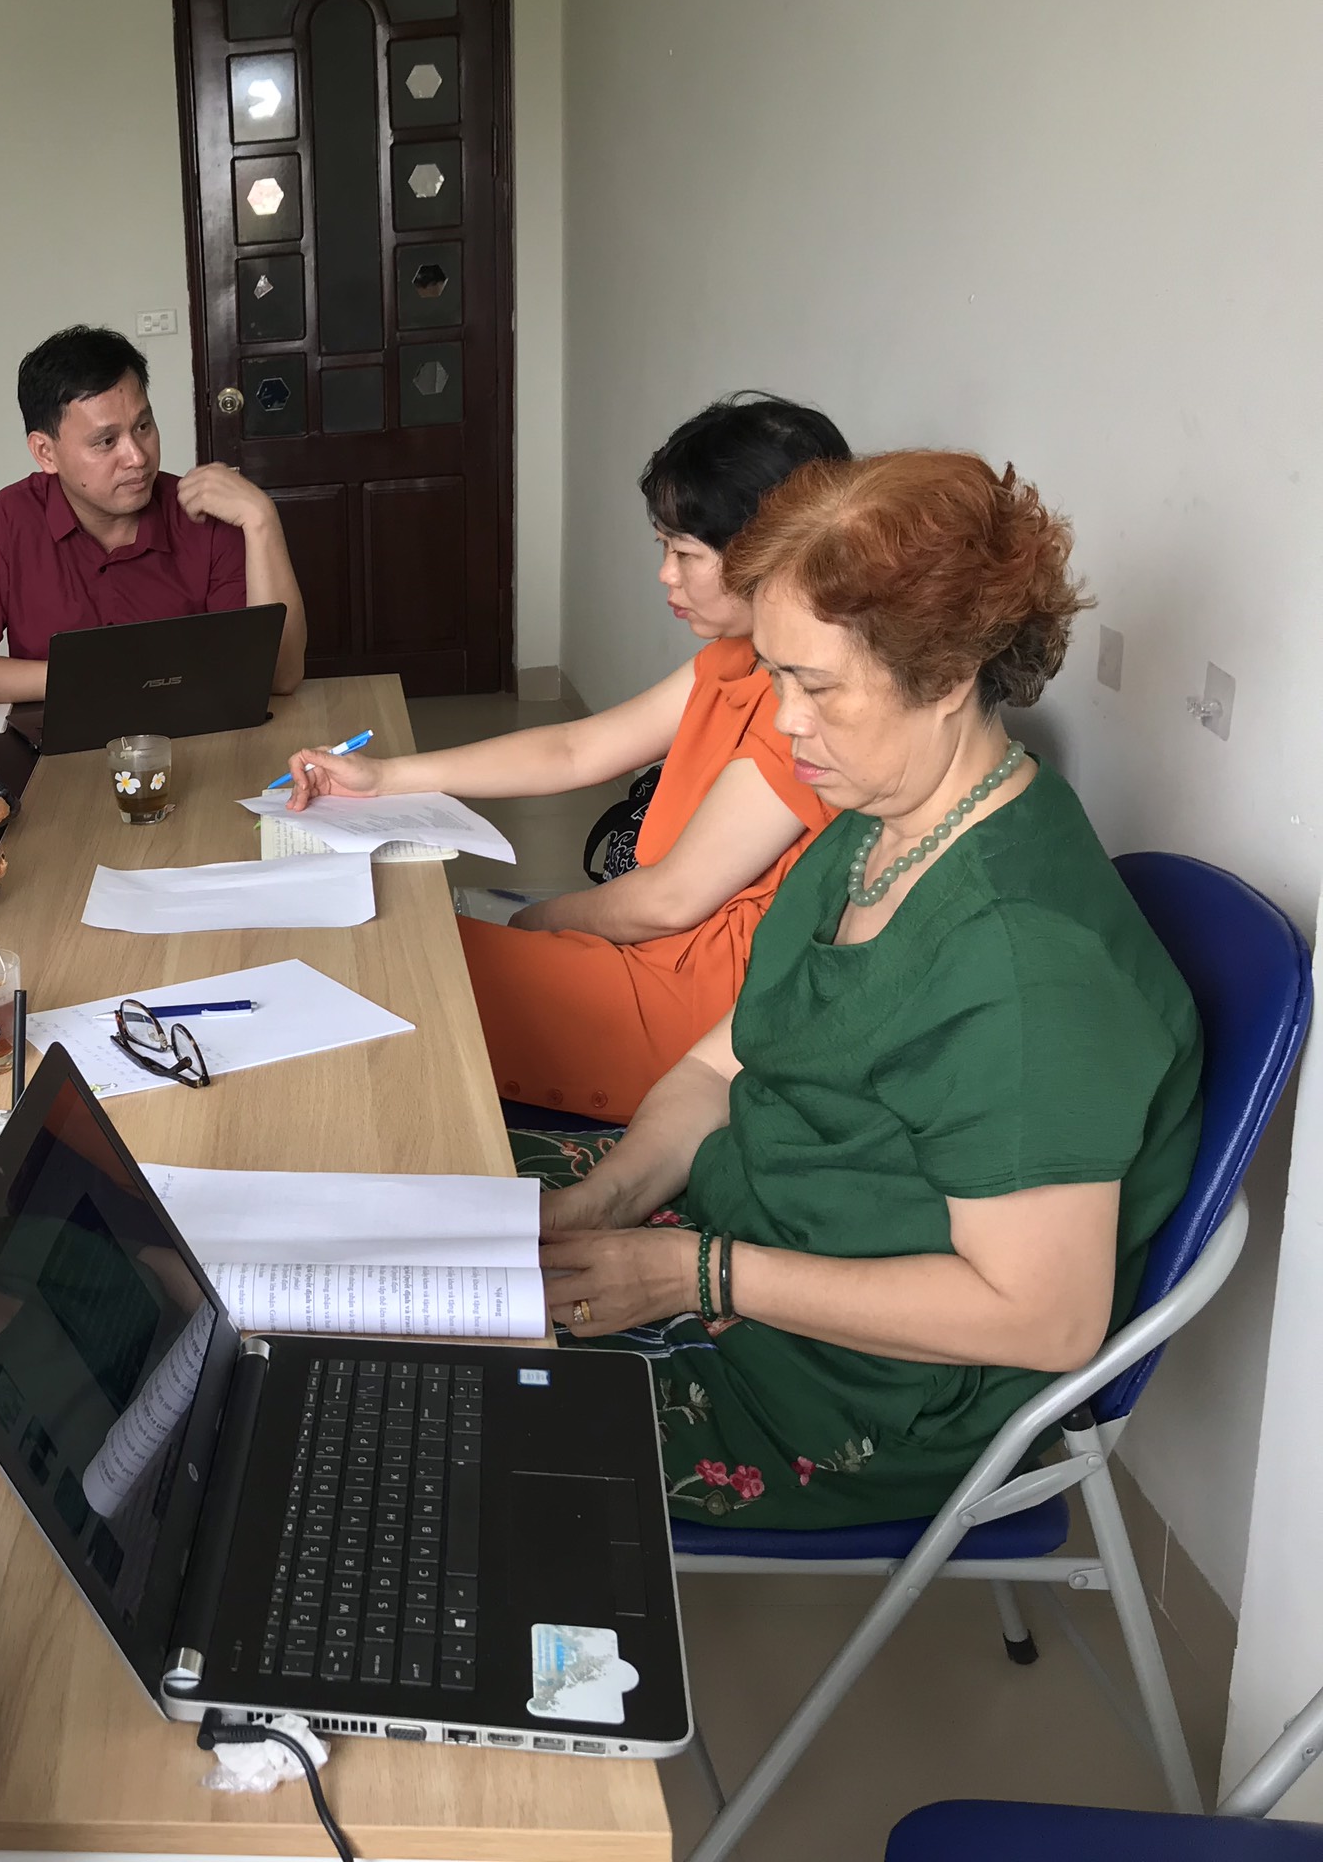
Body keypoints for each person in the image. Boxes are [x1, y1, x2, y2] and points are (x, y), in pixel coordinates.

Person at [529, 451, 1202, 1529]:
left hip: (855, 1382)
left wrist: (691, 1274)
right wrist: (607, 1196)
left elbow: (1044, 1319)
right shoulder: (872, 827)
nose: (784, 721)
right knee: (413, 1212)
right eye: (774, 676)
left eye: (817, 686)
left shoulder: (1024, 966)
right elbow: (722, 1061)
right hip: (734, 1228)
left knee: (419, 1391)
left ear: (947, 677)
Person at [284, 393, 851, 1121]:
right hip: (655, 958)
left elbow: (667, 901)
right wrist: (386, 776)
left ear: (772, 554)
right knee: (370, 949)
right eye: (663, 548)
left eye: (684, 553)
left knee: (382, 964)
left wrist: (539, 919)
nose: (665, 576)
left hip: (692, 1017)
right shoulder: (737, 657)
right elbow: (575, 748)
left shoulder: (804, 711)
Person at [0, 325, 307, 704]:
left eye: (143, 426)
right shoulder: (6, 524)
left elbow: (280, 676)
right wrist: (101, 675)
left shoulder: (202, 515)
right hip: (62, 741)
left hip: (196, 736)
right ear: (45, 452)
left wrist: (261, 518)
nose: (137, 457)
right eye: (106, 441)